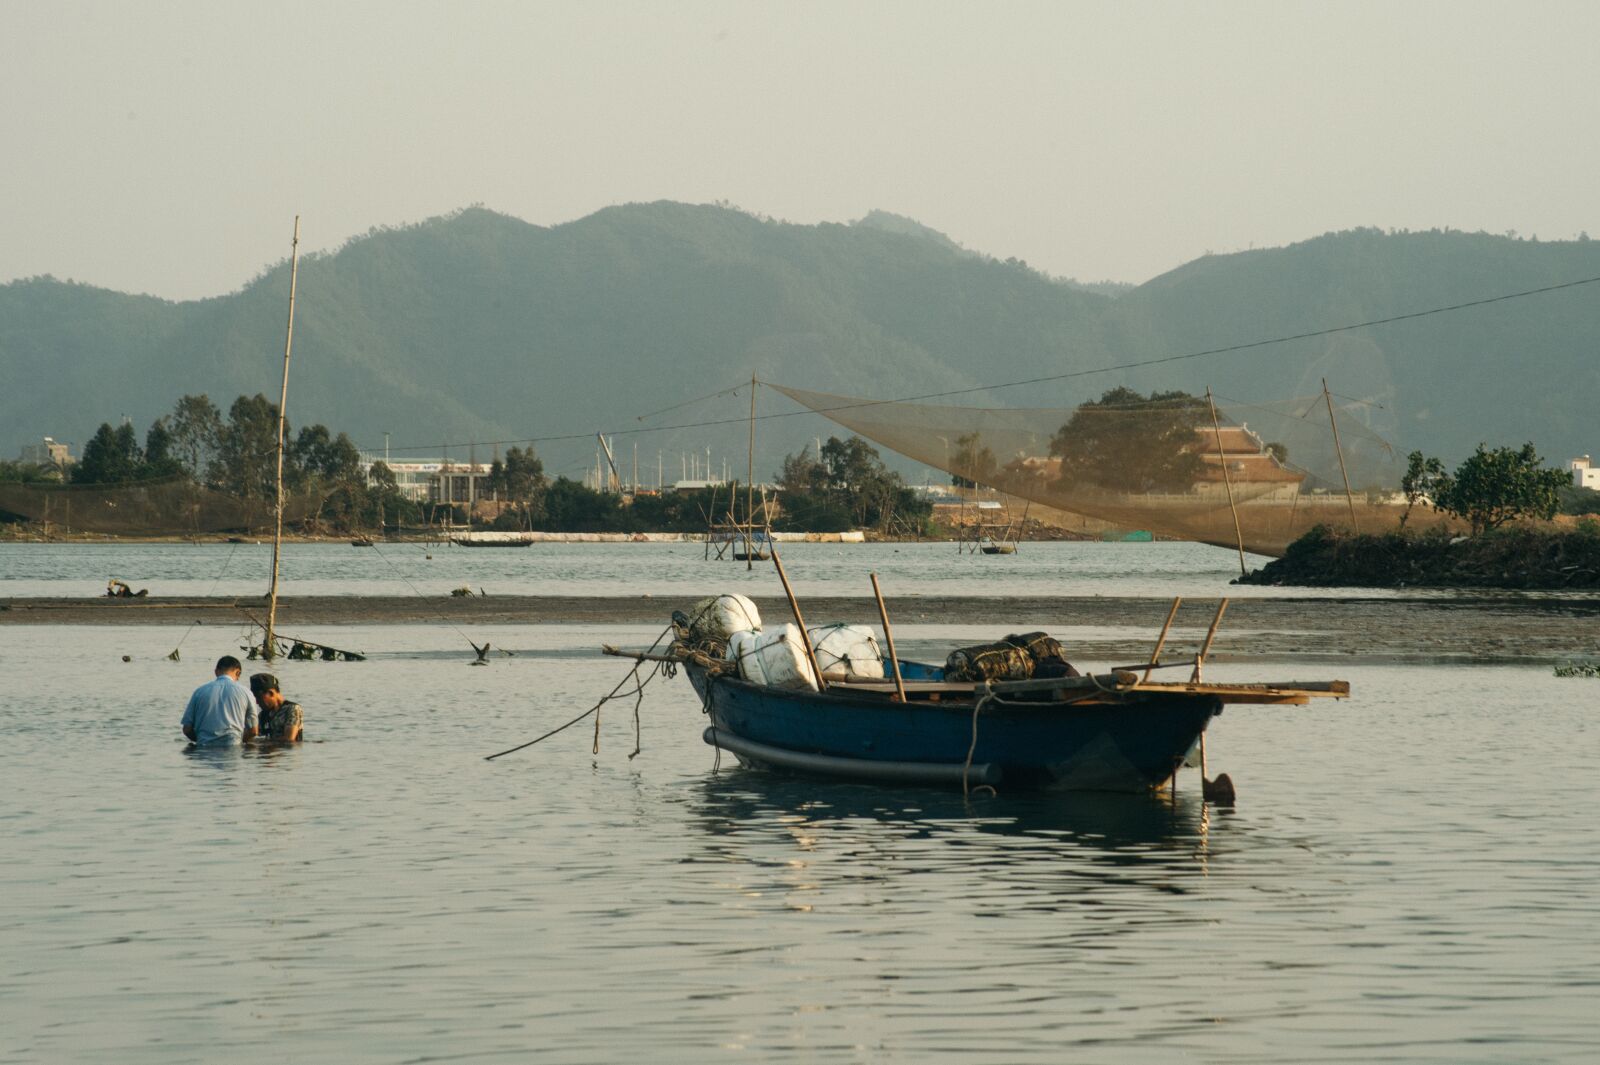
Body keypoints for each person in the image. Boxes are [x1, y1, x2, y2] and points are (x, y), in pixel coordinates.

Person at [181, 655, 257, 746]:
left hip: (204, 748)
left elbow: (187, 729)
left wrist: (202, 740)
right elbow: (253, 731)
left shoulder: (199, 692)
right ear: (238, 673)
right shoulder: (246, 692)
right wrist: (240, 741)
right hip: (233, 748)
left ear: (216, 672)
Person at [249, 673, 303, 743]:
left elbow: (289, 739)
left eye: (259, 698)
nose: (257, 702)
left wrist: (261, 741)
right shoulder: (262, 715)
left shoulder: (292, 709)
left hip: (287, 753)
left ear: (271, 693)